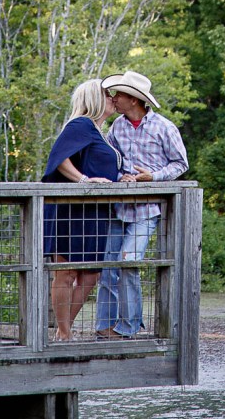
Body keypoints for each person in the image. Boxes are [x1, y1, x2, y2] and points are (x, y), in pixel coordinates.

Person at [95, 70, 188, 339]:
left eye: (119, 94)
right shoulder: (116, 127)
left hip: (147, 209)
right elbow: (110, 160)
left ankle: (128, 328)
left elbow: (181, 164)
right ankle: (104, 326)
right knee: (108, 265)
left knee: (128, 261)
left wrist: (154, 176)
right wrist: (117, 175)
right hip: (118, 208)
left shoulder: (165, 127)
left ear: (134, 99)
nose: (114, 98)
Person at [42, 79, 121, 341]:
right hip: (71, 211)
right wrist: (83, 181)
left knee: (90, 275)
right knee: (66, 273)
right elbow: (58, 158)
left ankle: (63, 329)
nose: (112, 98)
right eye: (107, 94)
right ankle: (63, 333)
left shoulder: (99, 132)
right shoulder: (81, 124)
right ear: (94, 98)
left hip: (95, 213)